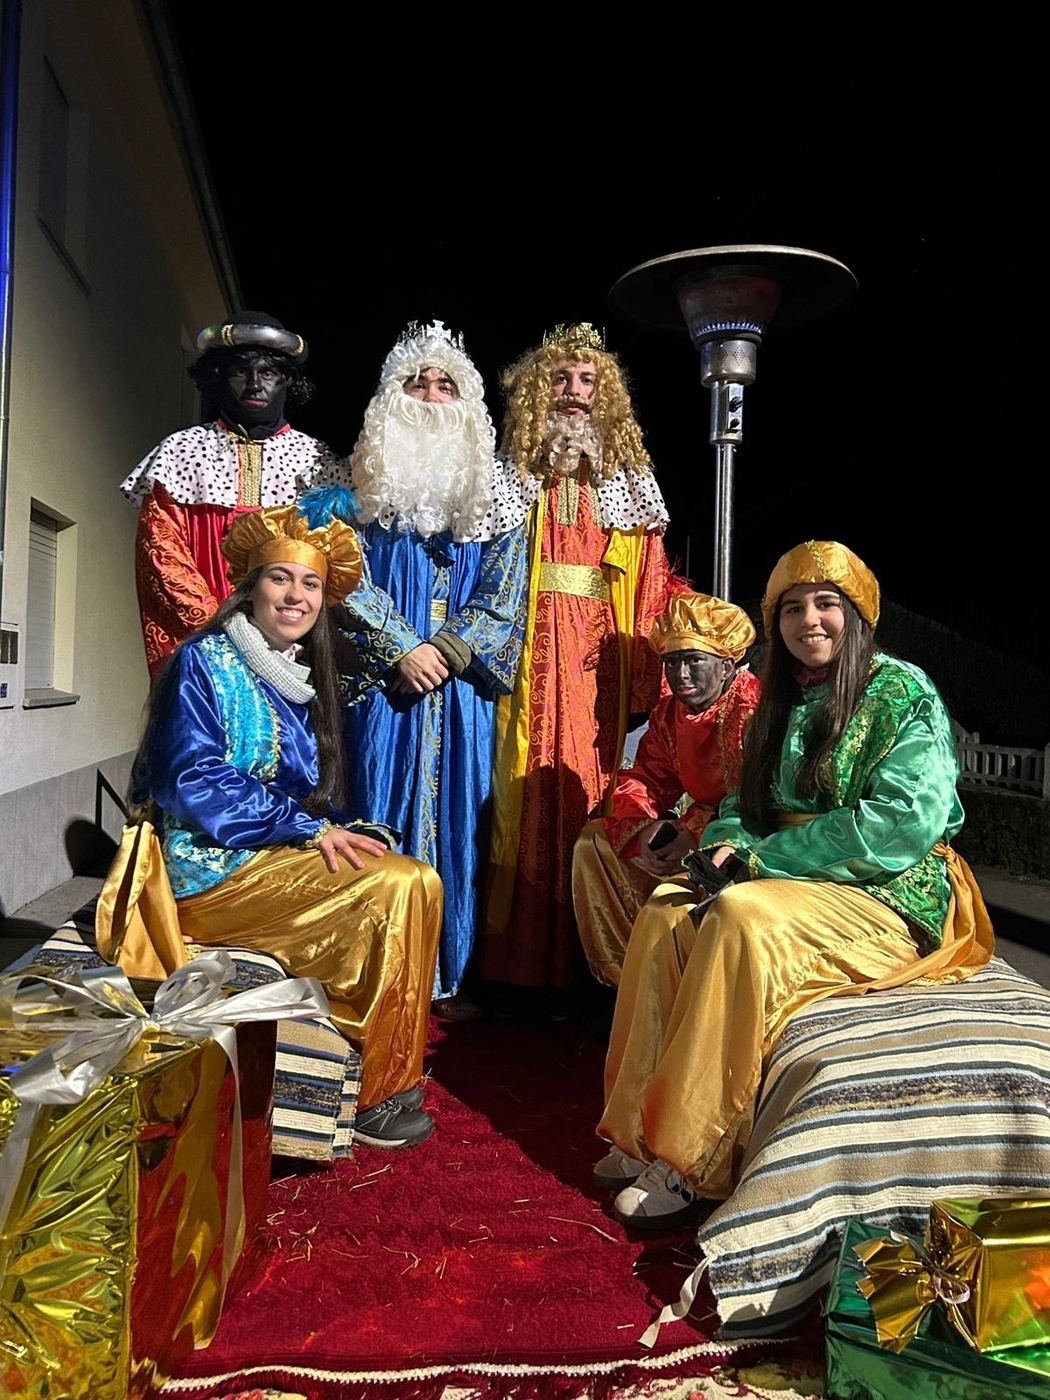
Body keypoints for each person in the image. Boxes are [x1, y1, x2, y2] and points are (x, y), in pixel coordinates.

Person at [594, 540, 994, 1227]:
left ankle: (693, 1158)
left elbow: (899, 825)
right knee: (666, 908)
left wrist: (759, 861)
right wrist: (723, 846)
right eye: (792, 608)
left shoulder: (902, 690)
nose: (809, 620)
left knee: (740, 917)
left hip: (888, 889)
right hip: (799, 878)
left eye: (826, 604)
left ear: (857, 614)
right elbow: (744, 806)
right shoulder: (780, 700)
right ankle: (637, 1129)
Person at [127, 500, 442, 1148]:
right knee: (397, 887)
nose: (296, 596)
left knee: (418, 878)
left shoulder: (290, 677)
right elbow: (189, 779)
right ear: (250, 588)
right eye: (280, 578)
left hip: (263, 852)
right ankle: (374, 1095)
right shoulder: (204, 660)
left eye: (311, 584)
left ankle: (386, 1065)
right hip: (203, 869)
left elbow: (298, 793)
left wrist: (341, 827)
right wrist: (305, 829)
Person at [340, 322, 527, 1020]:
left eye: (445, 384)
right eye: (415, 383)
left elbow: (505, 591)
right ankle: (370, 969)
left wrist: (444, 652)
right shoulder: (354, 484)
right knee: (370, 807)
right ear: (391, 395)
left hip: (459, 690)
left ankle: (445, 973)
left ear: (467, 400)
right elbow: (340, 575)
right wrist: (398, 646)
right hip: (382, 686)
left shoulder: (501, 494)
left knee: (462, 820)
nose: (429, 394)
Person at [480, 323, 671, 996]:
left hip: (597, 656)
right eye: (560, 378)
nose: (573, 392)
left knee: (592, 786)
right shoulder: (510, 473)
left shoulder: (628, 481)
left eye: (587, 380)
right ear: (539, 388)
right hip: (526, 644)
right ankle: (513, 968)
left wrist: (646, 676)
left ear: (604, 393)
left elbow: (650, 579)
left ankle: (587, 965)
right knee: (516, 787)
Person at [121, 310, 352, 683]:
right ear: (218, 378)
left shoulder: (318, 462)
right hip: (204, 643)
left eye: (269, 373)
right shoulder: (180, 451)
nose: (254, 385)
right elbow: (161, 554)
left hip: (291, 645)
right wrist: (221, 632)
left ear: (287, 382)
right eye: (240, 372)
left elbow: (334, 563)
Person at [572, 590, 760, 987]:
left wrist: (696, 837)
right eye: (672, 662)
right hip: (690, 828)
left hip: (744, 837)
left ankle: (689, 984)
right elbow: (646, 778)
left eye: (693, 660)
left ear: (726, 665)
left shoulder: (753, 710)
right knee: (594, 842)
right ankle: (626, 979)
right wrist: (646, 827)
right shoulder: (669, 713)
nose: (681, 675)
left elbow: (762, 803)